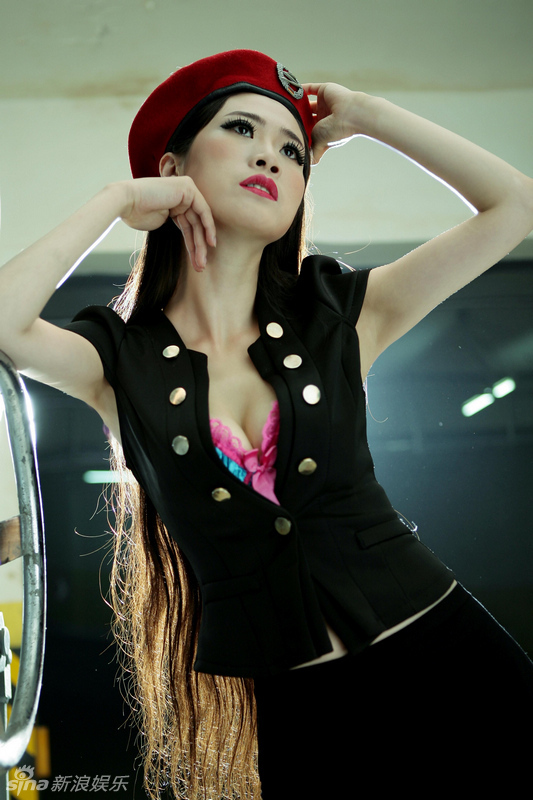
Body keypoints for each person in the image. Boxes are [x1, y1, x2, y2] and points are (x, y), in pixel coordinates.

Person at [0, 48, 532, 798]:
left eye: (292, 150)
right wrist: (117, 200)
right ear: (172, 167)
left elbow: (515, 206)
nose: (270, 156)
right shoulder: (116, 359)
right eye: (241, 128)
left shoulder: (340, 314)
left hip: (455, 665)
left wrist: (367, 116)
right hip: (305, 714)